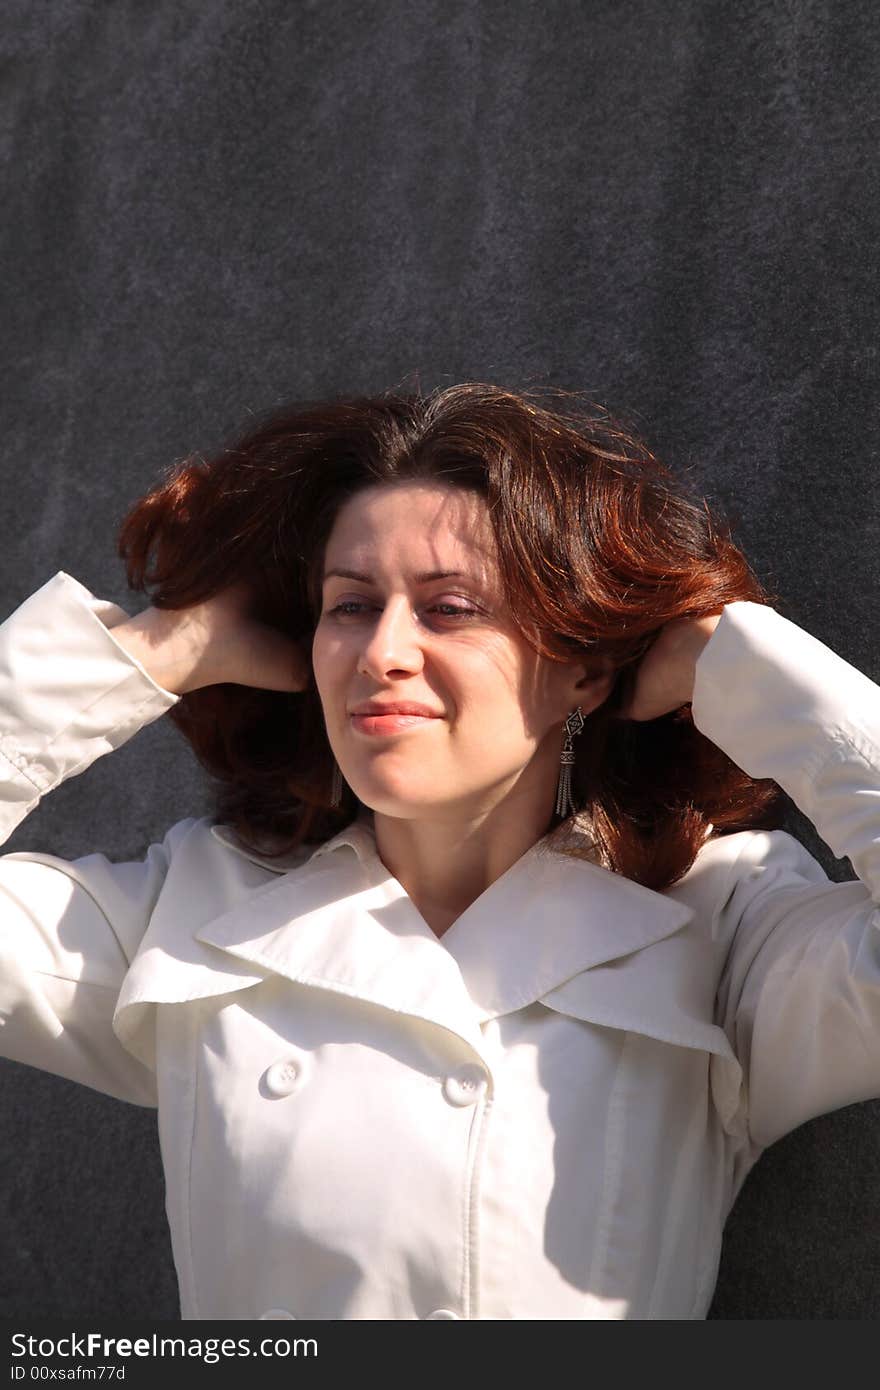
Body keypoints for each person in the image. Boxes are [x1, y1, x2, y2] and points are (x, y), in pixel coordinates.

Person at [0, 381, 877, 1321]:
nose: (383, 651)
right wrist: (157, 651)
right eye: (349, 606)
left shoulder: (716, 924)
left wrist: (735, 666)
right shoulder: (192, 915)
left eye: (450, 607)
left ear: (582, 666)